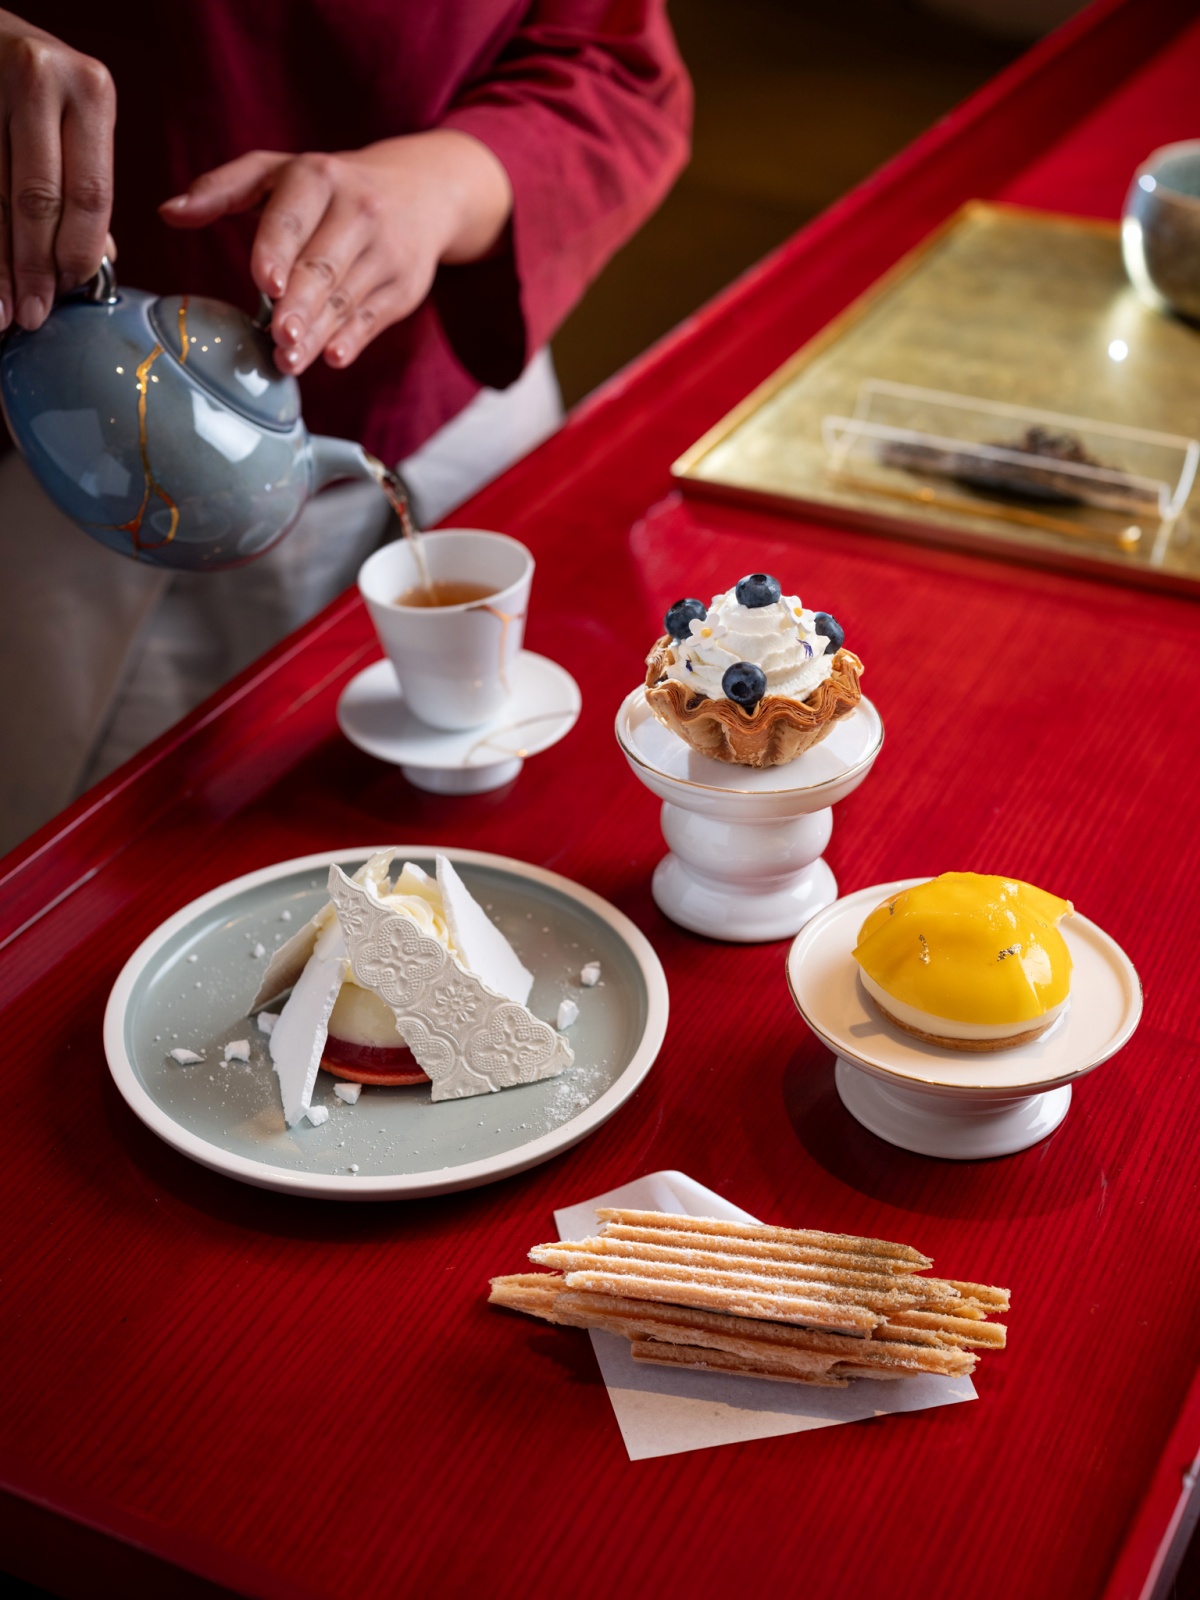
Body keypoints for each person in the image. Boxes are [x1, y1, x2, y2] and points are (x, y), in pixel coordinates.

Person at [0, 3, 691, 851]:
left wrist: (447, 183)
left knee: (510, 830)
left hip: (463, 412)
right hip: (97, 482)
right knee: (137, 857)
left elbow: (614, 65)